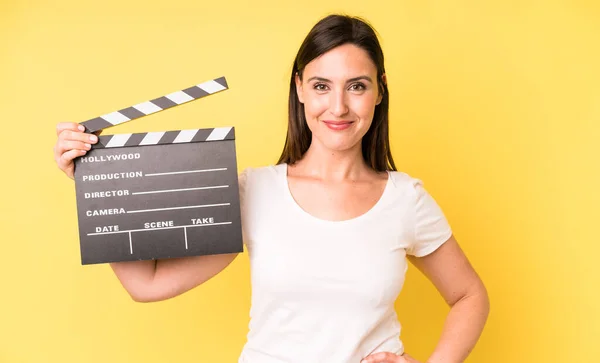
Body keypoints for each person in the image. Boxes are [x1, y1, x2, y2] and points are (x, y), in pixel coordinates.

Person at [53, 14, 489, 363]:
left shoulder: (406, 199)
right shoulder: (254, 192)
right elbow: (147, 284)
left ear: (379, 92)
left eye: (357, 86)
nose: (338, 106)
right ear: (300, 88)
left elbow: (469, 296)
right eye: (321, 86)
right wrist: (96, 188)